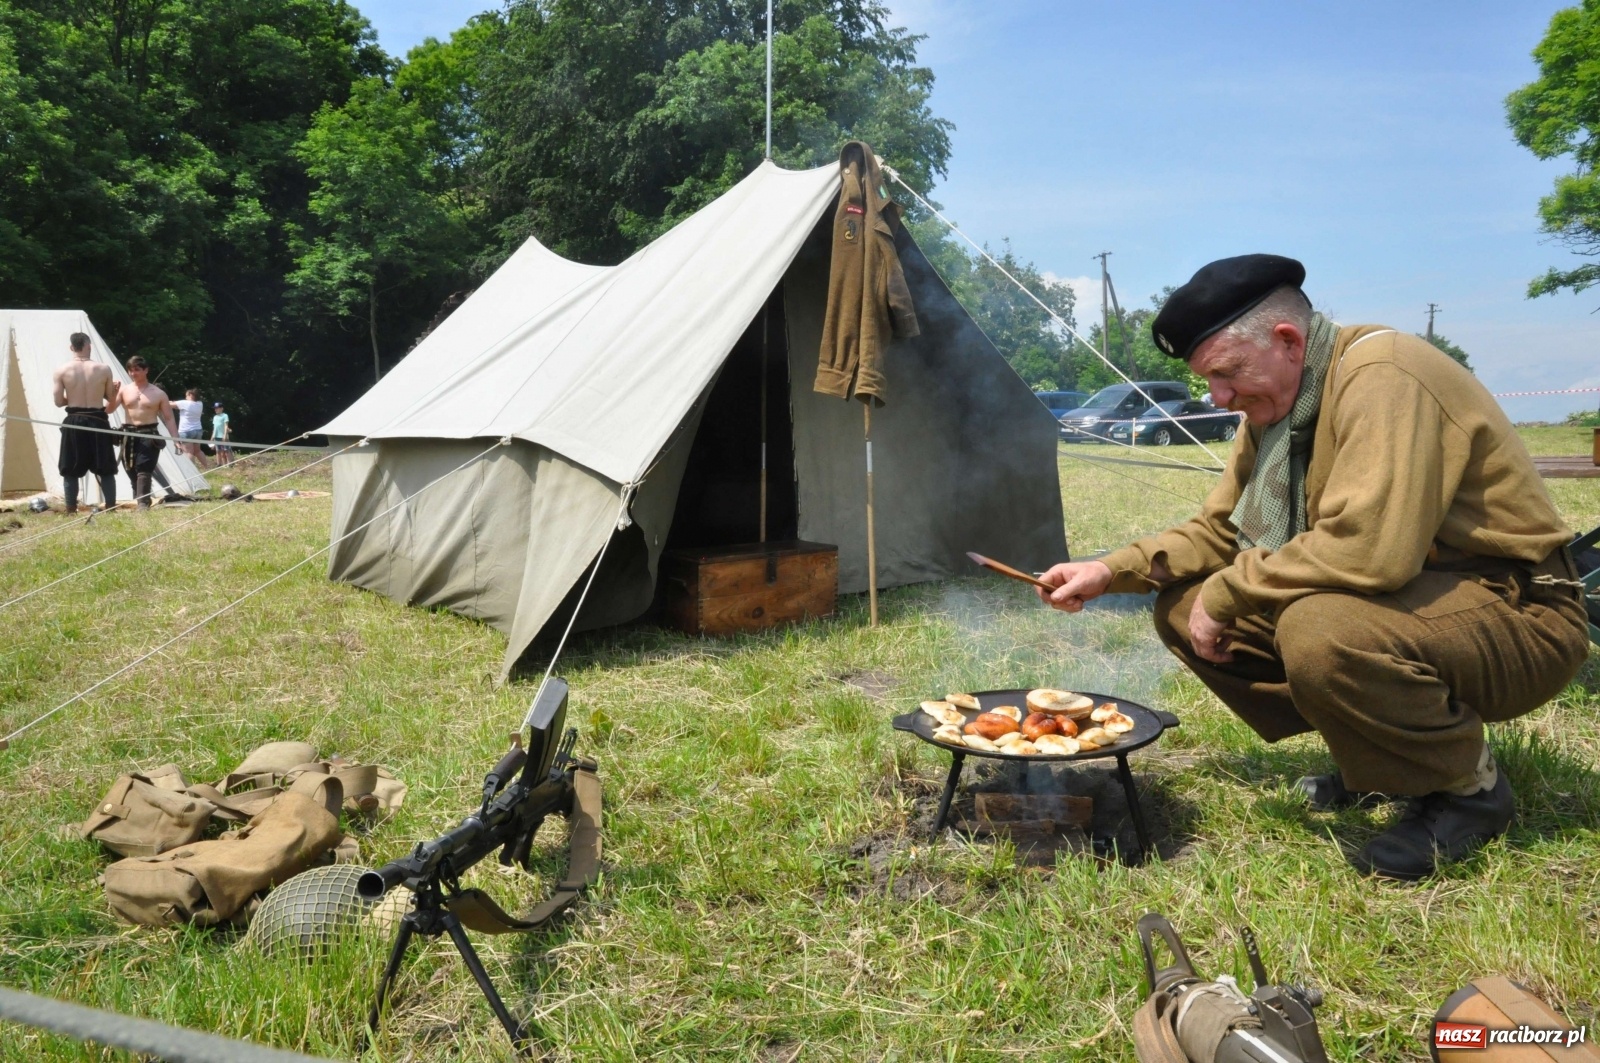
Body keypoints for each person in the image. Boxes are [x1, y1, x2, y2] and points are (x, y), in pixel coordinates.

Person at [1035, 254, 1589, 881]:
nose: (1217, 396)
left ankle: (1468, 790)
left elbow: (1370, 548)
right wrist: (1110, 570)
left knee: (1318, 629)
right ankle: (1380, 761)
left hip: (1519, 609)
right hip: (1421, 601)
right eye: (1208, 380)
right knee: (1183, 608)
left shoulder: (1385, 374)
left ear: (1287, 341)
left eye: (1225, 373)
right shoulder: (1279, 405)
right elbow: (1222, 529)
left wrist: (1229, 592)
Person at [51, 332, 120, 513]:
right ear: (89, 346)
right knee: (105, 466)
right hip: (97, 420)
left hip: (74, 420)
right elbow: (110, 397)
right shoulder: (104, 369)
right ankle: (111, 507)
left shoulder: (62, 370)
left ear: (71, 347)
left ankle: (71, 509)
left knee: (70, 467)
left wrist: (73, 399)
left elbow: (58, 402)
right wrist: (112, 390)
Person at [115, 355, 179, 508]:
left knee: (144, 469)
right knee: (130, 470)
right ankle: (139, 500)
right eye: (130, 370)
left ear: (146, 370)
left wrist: (176, 440)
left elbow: (169, 418)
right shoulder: (124, 390)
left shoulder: (158, 393)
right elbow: (108, 408)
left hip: (149, 434)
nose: (133, 373)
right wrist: (111, 392)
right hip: (128, 435)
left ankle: (143, 504)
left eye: (137, 370)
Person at [172, 387, 205, 464]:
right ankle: (206, 468)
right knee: (198, 451)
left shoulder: (185, 403)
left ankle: (192, 472)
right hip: (198, 430)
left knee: (188, 452)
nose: (185, 397)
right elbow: (178, 405)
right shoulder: (200, 404)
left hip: (186, 431)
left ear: (190, 395)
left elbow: (169, 404)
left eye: (186, 395)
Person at [210, 401, 232, 466]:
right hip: (216, 436)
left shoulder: (225, 415)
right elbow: (214, 428)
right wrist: (212, 437)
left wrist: (225, 435)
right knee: (218, 450)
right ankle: (219, 464)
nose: (215, 409)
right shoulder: (215, 417)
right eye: (215, 408)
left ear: (221, 408)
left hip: (223, 436)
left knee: (226, 450)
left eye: (217, 408)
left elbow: (226, 426)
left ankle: (229, 463)